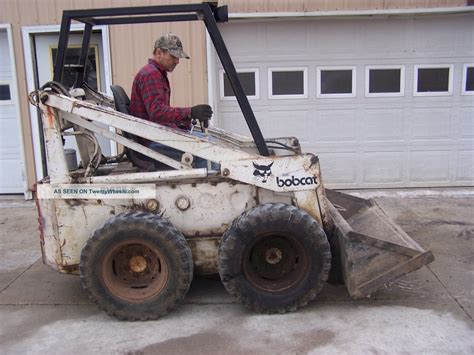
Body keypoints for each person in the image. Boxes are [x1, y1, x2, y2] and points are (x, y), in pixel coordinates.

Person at [130, 33, 213, 168]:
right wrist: (190, 112)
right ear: (158, 52)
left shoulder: (156, 74)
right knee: (209, 153)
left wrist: (183, 122)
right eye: (173, 56)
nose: (177, 61)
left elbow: (159, 114)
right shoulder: (151, 74)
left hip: (157, 134)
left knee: (210, 141)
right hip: (152, 142)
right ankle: (213, 188)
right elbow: (156, 112)